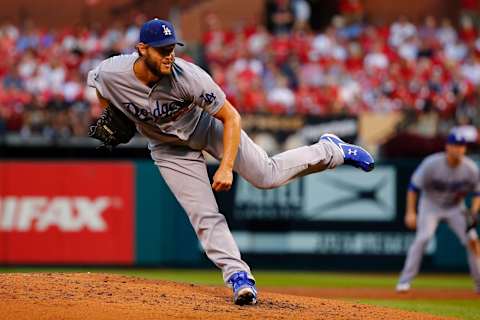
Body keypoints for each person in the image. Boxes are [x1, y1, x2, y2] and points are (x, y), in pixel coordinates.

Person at [87, 18, 374, 305]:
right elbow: (99, 86)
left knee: (266, 176)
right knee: (203, 214)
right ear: (142, 49)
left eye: (172, 48)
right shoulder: (113, 72)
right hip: (168, 148)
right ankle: (239, 277)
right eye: (162, 50)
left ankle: (330, 150)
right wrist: (111, 113)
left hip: (206, 127)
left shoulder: (189, 77)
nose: (169, 55)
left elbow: (231, 116)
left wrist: (225, 166)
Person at [396, 131, 480, 293]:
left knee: (472, 240)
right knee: (423, 238)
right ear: (447, 147)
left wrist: (473, 212)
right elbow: (413, 188)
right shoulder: (432, 164)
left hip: (455, 207)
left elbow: (477, 193)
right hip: (430, 206)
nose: (459, 149)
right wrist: (411, 212)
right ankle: (404, 281)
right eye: (455, 145)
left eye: (462, 146)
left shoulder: (470, 168)